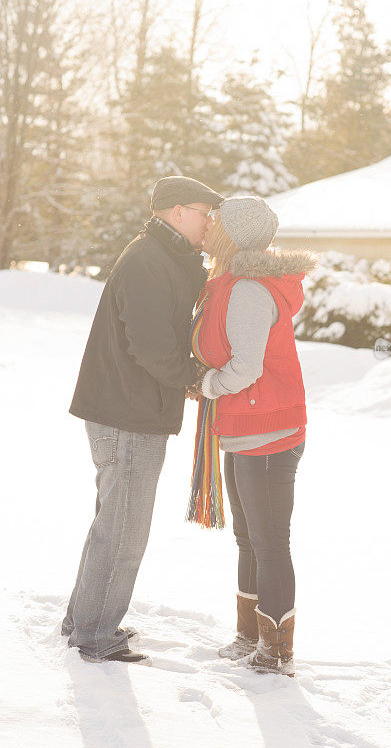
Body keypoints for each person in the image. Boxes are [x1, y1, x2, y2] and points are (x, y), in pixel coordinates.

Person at [61, 175, 223, 664]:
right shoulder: (147, 262)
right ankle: (95, 634)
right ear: (176, 212)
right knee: (125, 527)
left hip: (129, 409)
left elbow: (190, 290)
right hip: (127, 414)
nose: (210, 223)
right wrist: (195, 379)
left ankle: (84, 619)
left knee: (114, 521)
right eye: (203, 213)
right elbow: (152, 346)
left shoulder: (164, 257)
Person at [185, 196, 318, 677]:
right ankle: (249, 634)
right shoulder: (229, 283)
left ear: (232, 236)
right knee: (248, 538)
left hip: (270, 432)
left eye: (215, 223)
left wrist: (205, 386)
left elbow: (246, 367)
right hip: (245, 428)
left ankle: (276, 648)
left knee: (268, 541)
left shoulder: (247, 290)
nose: (209, 228)